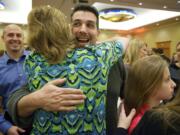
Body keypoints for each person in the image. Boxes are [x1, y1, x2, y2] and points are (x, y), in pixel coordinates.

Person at [7, 4, 127, 134]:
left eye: (90, 25)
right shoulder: (39, 61)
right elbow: (15, 100)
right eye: (76, 24)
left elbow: (127, 96)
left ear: (98, 33)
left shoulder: (114, 61)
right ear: (68, 30)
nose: (83, 30)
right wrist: (37, 99)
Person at [123, 55, 175, 134]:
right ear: (150, 86)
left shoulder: (154, 114)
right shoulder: (142, 124)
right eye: (167, 79)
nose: (174, 84)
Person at [0, 24, 28, 135]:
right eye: (10, 35)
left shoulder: (36, 60)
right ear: (3, 38)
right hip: (13, 125)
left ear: (23, 39)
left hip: (40, 120)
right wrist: (6, 127)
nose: (15, 38)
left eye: (18, 35)